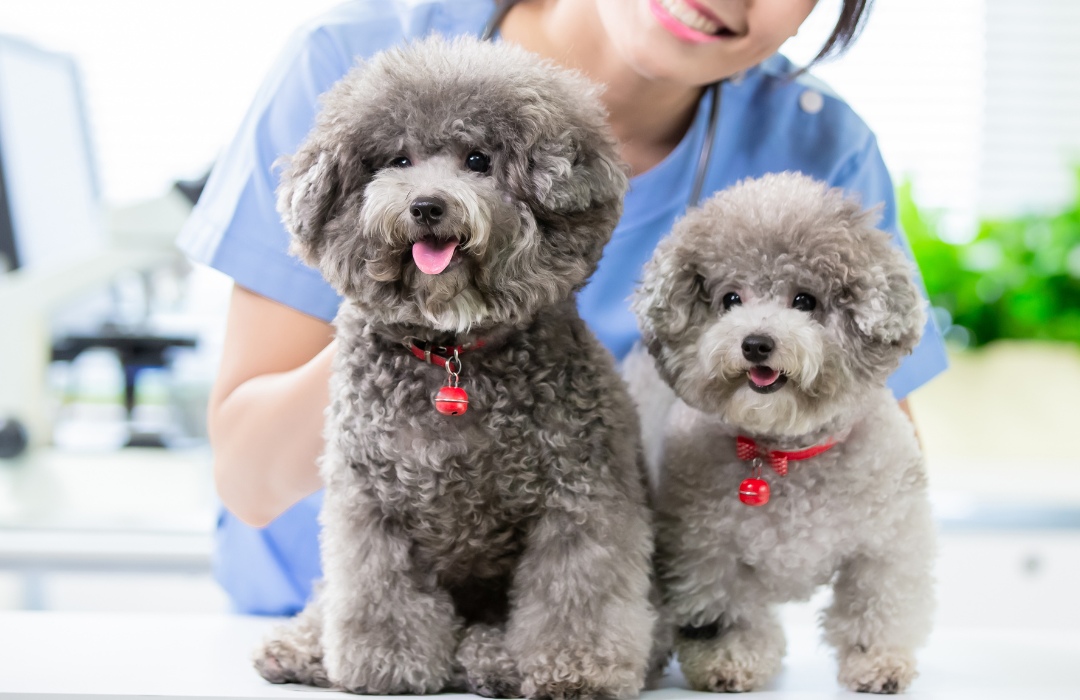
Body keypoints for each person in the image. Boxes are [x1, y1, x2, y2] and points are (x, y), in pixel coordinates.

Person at [178, 0, 948, 616]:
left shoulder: (817, 143)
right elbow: (248, 480)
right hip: (319, 629)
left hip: (586, 639)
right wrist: (428, 320)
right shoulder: (352, 61)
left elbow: (878, 478)